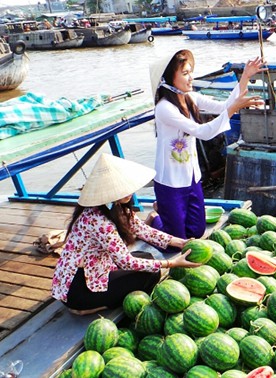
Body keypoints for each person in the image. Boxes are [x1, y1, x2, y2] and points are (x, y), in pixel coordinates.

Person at [51, 154, 200, 316]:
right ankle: (86, 307)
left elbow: (143, 230)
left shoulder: (113, 206)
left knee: (146, 256)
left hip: (87, 272)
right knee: (152, 273)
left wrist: (181, 242)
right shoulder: (101, 221)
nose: (128, 192)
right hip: (77, 288)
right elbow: (126, 262)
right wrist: (172, 263)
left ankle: (97, 300)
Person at [148, 49, 265, 248]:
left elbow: (223, 106)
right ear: (168, 77)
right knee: (177, 242)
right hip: (170, 182)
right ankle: (155, 219)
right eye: (185, 73)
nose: (191, 77)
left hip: (191, 176)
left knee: (197, 231)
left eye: (190, 72)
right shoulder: (164, 108)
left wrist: (245, 77)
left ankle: (163, 213)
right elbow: (203, 132)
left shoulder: (190, 97)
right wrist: (234, 109)